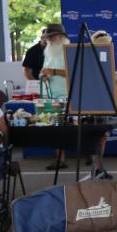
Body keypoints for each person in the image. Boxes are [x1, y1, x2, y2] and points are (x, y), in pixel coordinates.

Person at [40, 23, 70, 170]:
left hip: (67, 95)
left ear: (61, 36)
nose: (50, 39)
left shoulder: (69, 51)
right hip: (51, 94)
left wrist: (53, 72)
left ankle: (90, 156)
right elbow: (46, 70)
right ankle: (60, 159)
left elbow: (73, 74)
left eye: (52, 36)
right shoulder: (48, 52)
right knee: (54, 127)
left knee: (76, 128)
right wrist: (44, 75)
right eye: (48, 37)